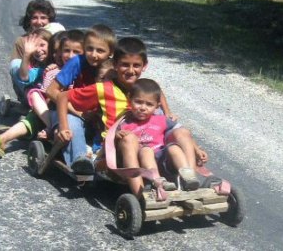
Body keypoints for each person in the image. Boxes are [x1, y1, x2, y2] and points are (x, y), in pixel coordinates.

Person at [56, 37, 207, 197]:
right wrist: (65, 127)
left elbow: (161, 101)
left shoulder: (145, 88)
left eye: (136, 65)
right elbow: (62, 97)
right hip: (117, 153)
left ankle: (190, 183)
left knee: (182, 132)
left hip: (153, 149)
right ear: (114, 65)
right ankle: (140, 195)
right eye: (124, 65)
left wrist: (194, 146)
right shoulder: (103, 89)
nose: (130, 70)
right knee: (130, 139)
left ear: (144, 66)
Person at [0, 30, 84, 158]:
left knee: (34, 117)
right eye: (64, 51)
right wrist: (26, 55)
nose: (69, 56)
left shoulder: (83, 71)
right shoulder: (51, 70)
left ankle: (55, 132)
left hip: (68, 113)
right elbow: (26, 78)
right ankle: (1, 139)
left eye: (76, 52)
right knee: (31, 111)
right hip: (49, 111)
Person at [47, 24, 116, 174]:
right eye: (90, 49)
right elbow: (51, 91)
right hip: (75, 110)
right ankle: (80, 160)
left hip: (100, 115)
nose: (93, 54)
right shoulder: (77, 62)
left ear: (110, 52)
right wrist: (76, 111)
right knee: (72, 123)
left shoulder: (112, 68)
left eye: (100, 50)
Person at [116, 78, 202, 191]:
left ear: (157, 106)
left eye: (149, 104)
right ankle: (158, 181)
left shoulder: (161, 120)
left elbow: (184, 133)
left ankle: (188, 177)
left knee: (174, 148)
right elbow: (116, 145)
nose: (143, 108)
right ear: (130, 99)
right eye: (138, 102)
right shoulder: (124, 123)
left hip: (164, 159)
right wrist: (117, 135)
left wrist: (197, 149)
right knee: (146, 151)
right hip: (143, 162)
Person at [10, 0, 65, 103]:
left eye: (43, 18)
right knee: (15, 64)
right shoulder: (22, 41)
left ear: (50, 20)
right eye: (35, 18)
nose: (39, 22)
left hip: (53, 82)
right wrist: (27, 53)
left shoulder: (57, 37)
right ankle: (30, 97)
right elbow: (19, 75)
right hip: (31, 83)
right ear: (29, 20)